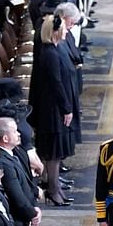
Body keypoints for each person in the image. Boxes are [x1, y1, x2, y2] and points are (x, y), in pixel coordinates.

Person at [28, 13, 79, 206]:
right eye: (64, 29)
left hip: (55, 107)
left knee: (56, 153)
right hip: (52, 110)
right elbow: (56, 83)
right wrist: (67, 108)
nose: (66, 31)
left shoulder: (56, 49)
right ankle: (53, 190)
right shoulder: (50, 53)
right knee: (53, 152)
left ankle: (55, 186)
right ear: (55, 31)